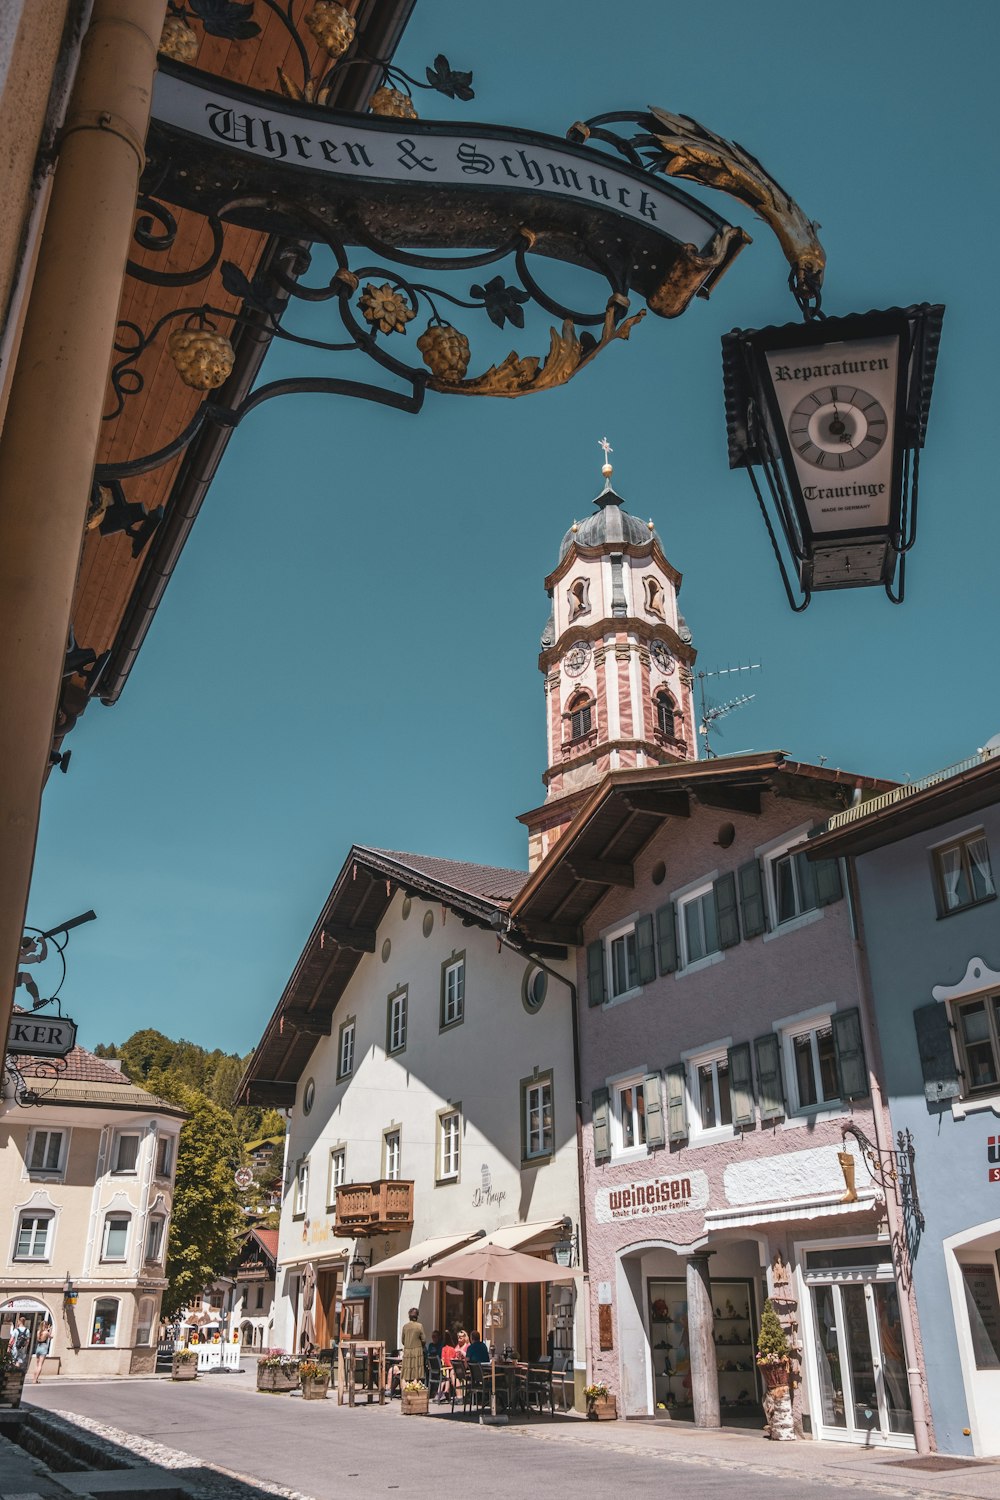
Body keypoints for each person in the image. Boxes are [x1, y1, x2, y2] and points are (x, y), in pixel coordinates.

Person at [400, 1306, 425, 1385]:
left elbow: (403, 1340)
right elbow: (424, 1339)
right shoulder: (419, 1326)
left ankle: (405, 1391)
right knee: (416, 1372)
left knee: (406, 1372)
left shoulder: (405, 1327)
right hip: (417, 1350)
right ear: (417, 1316)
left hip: (407, 1350)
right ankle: (415, 1390)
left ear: (409, 1316)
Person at [437, 1329, 457, 1402]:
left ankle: (439, 1393)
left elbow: (442, 1358)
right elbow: (454, 1358)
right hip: (450, 1366)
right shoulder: (452, 1349)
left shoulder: (443, 1349)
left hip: (444, 1367)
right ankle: (446, 1391)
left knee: (446, 1376)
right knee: (448, 1375)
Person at [32, 1319, 52, 1383]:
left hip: (38, 1347)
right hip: (43, 1347)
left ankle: (34, 1379)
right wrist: (49, 1330)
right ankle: (36, 1379)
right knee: (40, 1365)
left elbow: (38, 1339)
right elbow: (51, 1337)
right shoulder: (46, 1332)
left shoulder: (38, 1332)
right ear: (46, 1325)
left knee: (37, 1364)